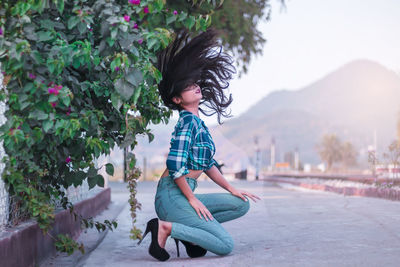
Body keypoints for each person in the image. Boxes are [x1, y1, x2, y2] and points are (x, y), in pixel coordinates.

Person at [137, 28, 261, 261]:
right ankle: (165, 227)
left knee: (240, 204)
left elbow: (208, 164)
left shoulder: (198, 124)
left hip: (181, 196)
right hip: (173, 197)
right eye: (187, 86)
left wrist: (233, 189)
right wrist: (192, 200)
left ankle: (191, 234)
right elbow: (174, 164)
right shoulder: (187, 124)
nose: (195, 86)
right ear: (177, 99)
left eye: (195, 82)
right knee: (225, 245)